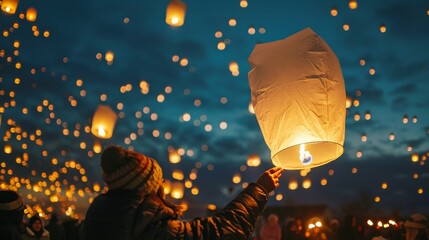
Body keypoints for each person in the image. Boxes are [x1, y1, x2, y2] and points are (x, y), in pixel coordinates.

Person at [83, 145, 284, 240]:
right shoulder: (150, 228)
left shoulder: (97, 219)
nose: (162, 185)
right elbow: (220, 231)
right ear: (146, 187)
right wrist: (260, 189)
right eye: (157, 181)